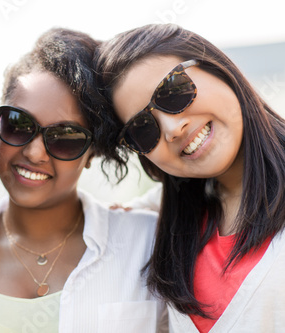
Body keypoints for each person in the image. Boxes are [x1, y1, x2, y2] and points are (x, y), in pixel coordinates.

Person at [0, 27, 167, 333]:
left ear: (92, 151)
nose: (35, 152)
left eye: (65, 137)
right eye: (18, 124)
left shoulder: (147, 246)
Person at [95, 23, 285, 332]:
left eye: (173, 92)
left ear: (217, 66)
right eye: (143, 129)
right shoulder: (164, 229)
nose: (172, 129)